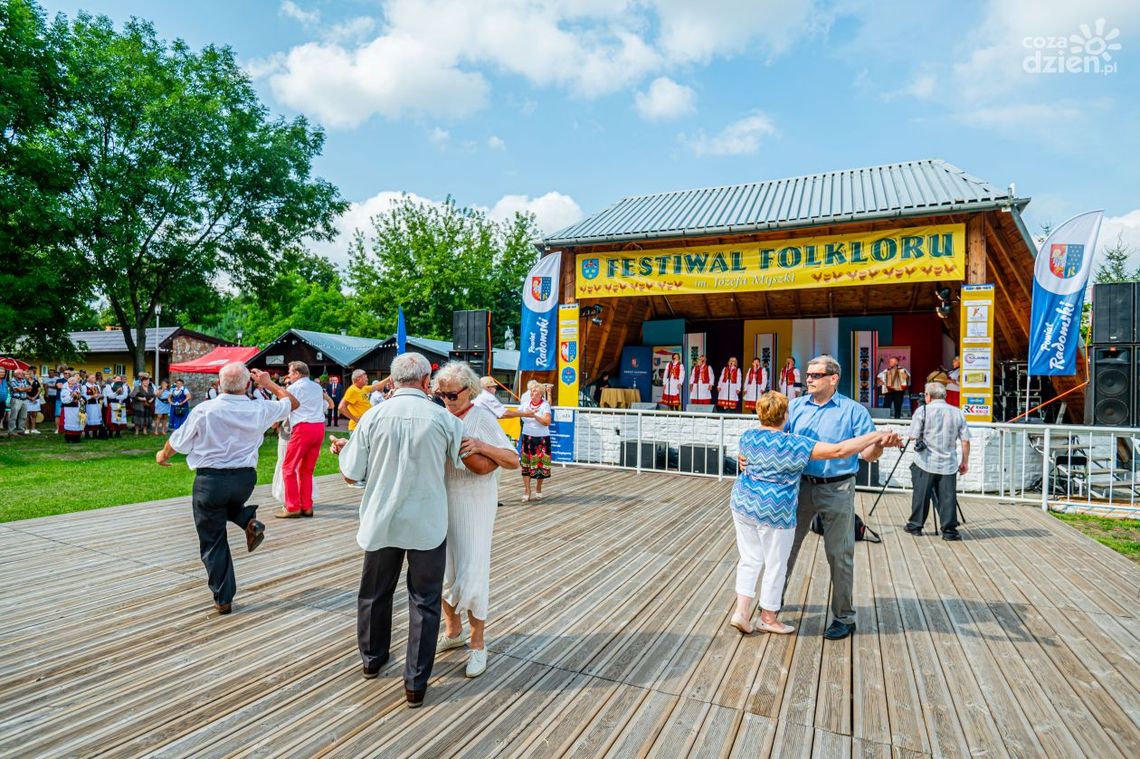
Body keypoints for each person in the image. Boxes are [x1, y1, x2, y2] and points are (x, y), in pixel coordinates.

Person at [330, 352, 465, 708]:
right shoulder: (443, 418)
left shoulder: (372, 417)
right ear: (426, 382)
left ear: (391, 381)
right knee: (425, 602)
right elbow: (460, 461)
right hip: (427, 521)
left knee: (374, 594)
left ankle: (372, 660)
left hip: (382, 519)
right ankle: (415, 683)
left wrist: (345, 454)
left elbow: (351, 474)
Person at [730, 391, 894, 635]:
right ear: (785, 416)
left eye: (817, 374)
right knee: (778, 562)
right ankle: (769, 615)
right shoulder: (796, 442)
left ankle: (742, 612)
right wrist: (876, 435)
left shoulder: (748, 436)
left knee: (753, 559)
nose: (810, 378)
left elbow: (751, 452)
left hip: (747, 503)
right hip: (779, 506)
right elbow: (839, 450)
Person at [157, 363, 298, 615]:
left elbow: (177, 442)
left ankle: (224, 598)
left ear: (220, 384)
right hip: (244, 480)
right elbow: (292, 403)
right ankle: (247, 520)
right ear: (247, 384)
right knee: (226, 505)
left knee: (213, 540)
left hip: (211, 481)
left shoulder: (205, 410)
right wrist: (268, 383)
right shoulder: (259, 408)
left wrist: (162, 455)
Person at [784, 355, 895, 641]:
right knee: (784, 548)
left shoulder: (854, 411)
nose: (808, 379)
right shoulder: (795, 407)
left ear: (833, 378)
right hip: (800, 487)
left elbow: (869, 454)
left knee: (839, 553)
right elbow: (777, 439)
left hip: (838, 488)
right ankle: (771, 605)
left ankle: (844, 618)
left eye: (816, 375)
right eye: (808, 375)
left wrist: (880, 445)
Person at [432, 362, 520, 678]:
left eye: (452, 395)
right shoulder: (440, 416)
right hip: (441, 500)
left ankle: (478, 643)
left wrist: (481, 446)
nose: (446, 400)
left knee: (472, 570)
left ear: (469, 391)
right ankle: (452, 630)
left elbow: (512, 459)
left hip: (474, 502)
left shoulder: (481, 417)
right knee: (444, 570)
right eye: (441, 395)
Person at [905, 382, 970, 541]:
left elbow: (913, 436)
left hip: (925, 461)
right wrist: (964, 462)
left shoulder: (922, 411)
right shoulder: (957, 412)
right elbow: (965, 440)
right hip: (948, 462)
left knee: (921, 495)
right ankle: (949, 531)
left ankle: (916, 526)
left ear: (928, 396)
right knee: (948, 497)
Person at [275, 361, 326, 519]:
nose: (289, 375)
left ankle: (292, 507)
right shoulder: (317, 387)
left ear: (297, 373)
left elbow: (284, 409)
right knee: (306, 470)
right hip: (319, 428)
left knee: (288, 468)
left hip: (303, 428)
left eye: (290, 372)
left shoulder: (293, 388)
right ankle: (307, 506)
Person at [519, 380, 552, 503]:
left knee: (540, 466)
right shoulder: (525, 404)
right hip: (527, 438)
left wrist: (534, 416)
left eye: (535, 392)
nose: (532, 394)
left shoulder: (545, 405)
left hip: (541, 439)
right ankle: (527, 491)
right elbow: (516, 413)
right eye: (532, 392)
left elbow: (547, 422)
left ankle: (538, 488)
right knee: (525, 466)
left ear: (541, 394)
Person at [59, 375, 85, 443]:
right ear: (68, 382)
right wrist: (72, 396)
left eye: (75, 382)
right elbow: (64, 400)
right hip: (69, 409)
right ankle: (68, 438)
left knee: (77, 421)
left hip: (77, 408)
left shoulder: (76, 389)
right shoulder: (65, 390)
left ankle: (77, 437)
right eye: (72, 382)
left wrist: (81, 399)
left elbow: (79, 396)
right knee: (69, 422)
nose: (74, 383)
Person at [6, 368, 32, 435]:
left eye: (22, 373)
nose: (22, 374)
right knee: (13, 416)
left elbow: (30, 389)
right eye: (19, 373)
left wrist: (22, 389)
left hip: (24, 399)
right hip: (16, 399)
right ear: (15, 374)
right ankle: (11, 431)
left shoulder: (24, 380)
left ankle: (21, 430)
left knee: (23, 416)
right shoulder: (12, 380)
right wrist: (24, 389)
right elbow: (17, 390)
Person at [84, 373, 104, 439]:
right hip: (89, 405)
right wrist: (92, 396)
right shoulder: (85, 386)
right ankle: (87, 434)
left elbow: (100, 394)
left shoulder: (97, 386)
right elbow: (84, 396)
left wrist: (100, 395)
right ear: (88, 379)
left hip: (96, 404)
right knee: (88, 418)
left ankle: (95, 434)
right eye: (92, 377)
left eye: (94, 377)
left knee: (96, 418)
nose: (94, 378)